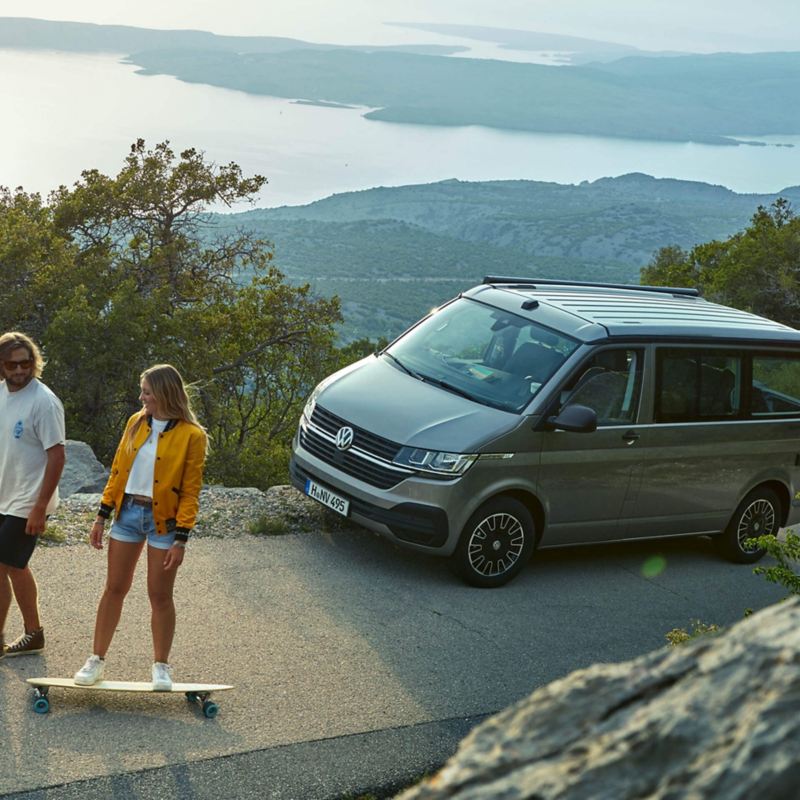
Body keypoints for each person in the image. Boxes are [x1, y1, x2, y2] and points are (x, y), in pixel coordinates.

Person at [74, 364, 207, 690]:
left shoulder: (193, 436)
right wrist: (101, 516)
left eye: (146, 392)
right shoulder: (136, 422)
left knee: (160, 595)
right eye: (142, 391)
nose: (141, 397)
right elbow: (118, 471)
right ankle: (96, 661)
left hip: (165, 522)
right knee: (114, 589)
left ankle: (161, 667)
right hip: (128, 514)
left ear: (163, 393)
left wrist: (182, 539)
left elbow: (191, 491)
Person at [0, 332, 66, 659]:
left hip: (29, 500)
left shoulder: (44, 401)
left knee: (11, 563)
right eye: (12, 365)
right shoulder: (1, 395)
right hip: (4, 497)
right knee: (5, 566)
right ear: (2, 366)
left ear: (34, 362)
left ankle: (33, 633)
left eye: (26, 363)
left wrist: (40, 507)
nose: (20, 370)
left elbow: (57, 456)